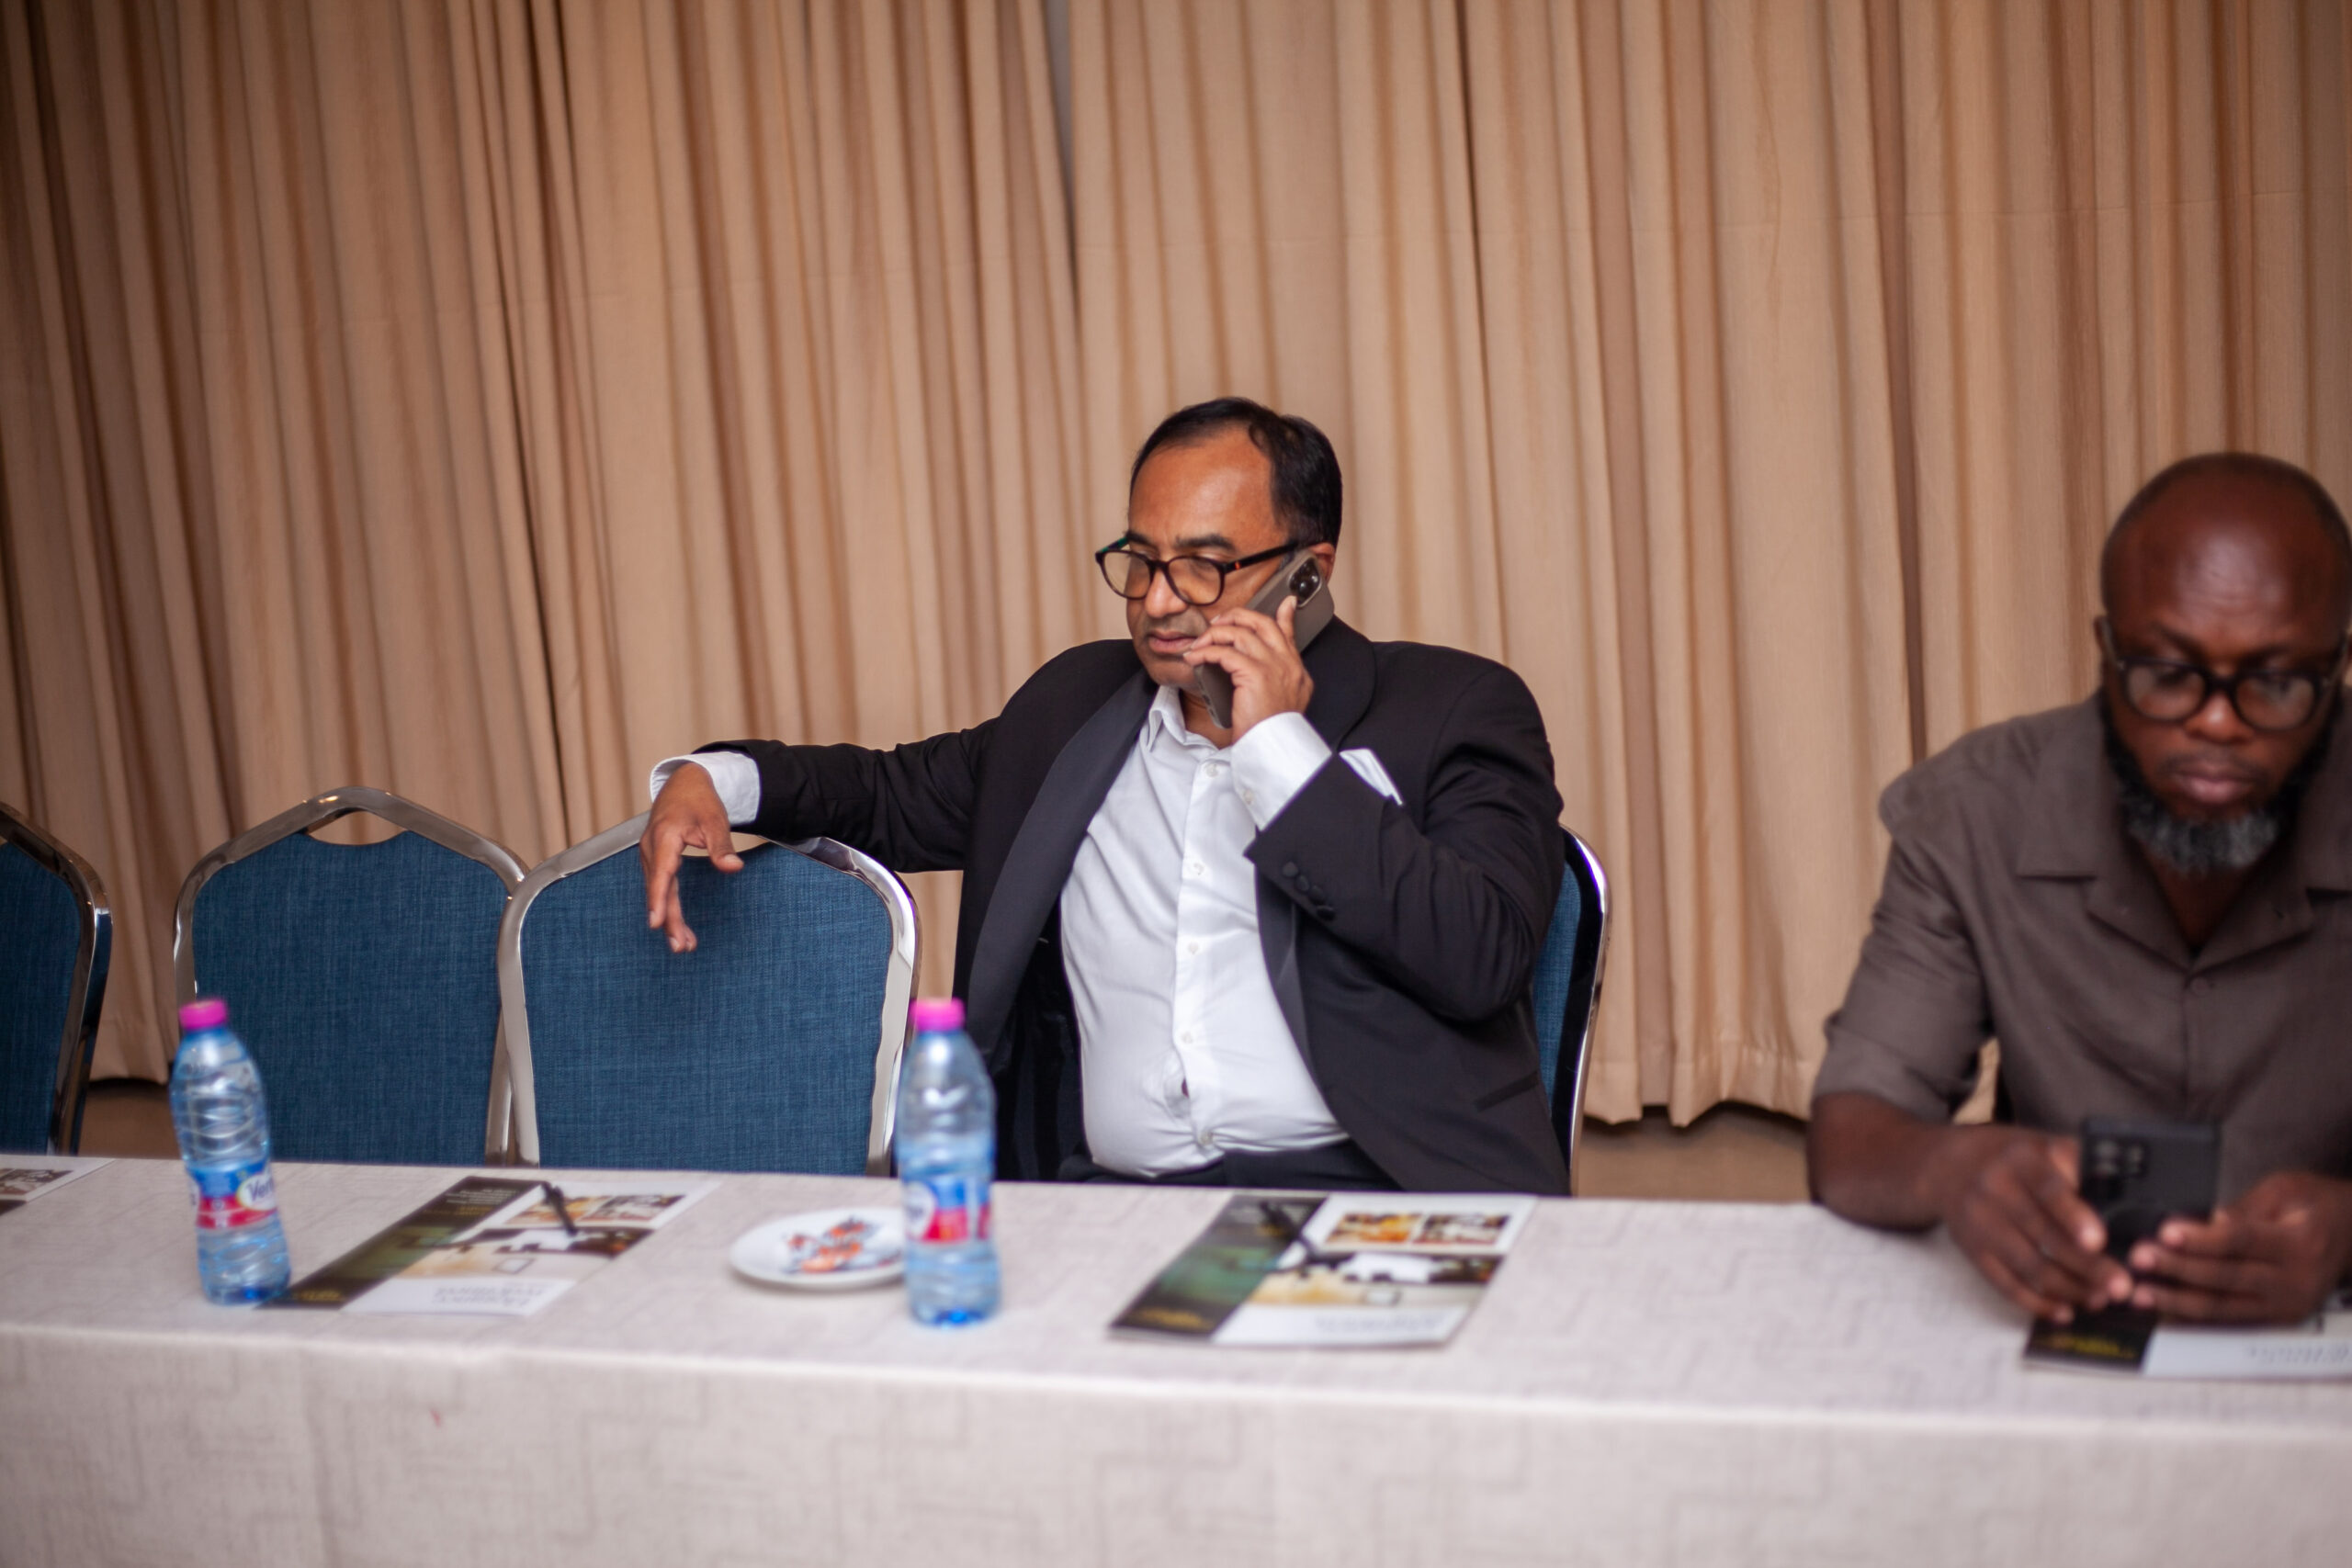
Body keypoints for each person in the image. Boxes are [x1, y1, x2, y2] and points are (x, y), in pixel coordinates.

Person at [639, 398, 1569, 1193]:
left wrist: (1280, 750)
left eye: (1203, 565)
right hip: (1113, 1204)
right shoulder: (1070, 712)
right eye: (1141, 559)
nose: (1159, 601)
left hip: (1377, 1191)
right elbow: (884, 791)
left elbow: (1479, 956)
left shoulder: (1453, 708)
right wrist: (714, 778)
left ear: (1308, 571)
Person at [1810, 453, 2352, 1326]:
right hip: (2060, 1309)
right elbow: (1851, 1130)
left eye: (2277, 682)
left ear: (2337, 673)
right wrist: (1955, 1168)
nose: (2217, 722)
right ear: (2105, 654)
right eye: (2168, 672)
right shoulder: (1975, 812)